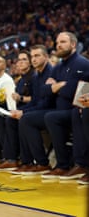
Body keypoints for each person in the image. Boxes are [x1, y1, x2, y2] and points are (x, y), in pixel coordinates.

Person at [42, 32, 89, 180]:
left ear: (73, 44)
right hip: (62, 108)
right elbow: (44, 91)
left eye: (63, 42)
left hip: (74, 108)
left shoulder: (81, 63)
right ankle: (37, 162)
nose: (59, 45)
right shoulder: (59, 66)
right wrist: (59, 86)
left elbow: (72, 92)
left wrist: (55, 86)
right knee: (28, 119)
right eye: (57, 43)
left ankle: (74, 164)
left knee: (54, 117)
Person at [10, 45, 54, 175]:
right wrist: (22, 111)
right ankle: (26, 162)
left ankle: (42, 163)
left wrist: (24, 112)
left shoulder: (51, 73)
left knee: (26, 119)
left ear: (46, 57)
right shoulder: (36, 76)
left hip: (52, 109)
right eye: (33, 56)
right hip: (42, 109)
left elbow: (47, 102)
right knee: (19, 117)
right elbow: (35, 101)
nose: (34, 59)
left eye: (37, 56)